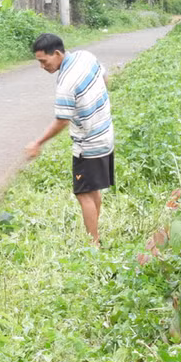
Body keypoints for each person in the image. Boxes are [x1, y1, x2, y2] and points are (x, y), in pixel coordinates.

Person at [26, 33, 115, 245]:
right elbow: (105, 78)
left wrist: (38, 143)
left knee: (83, 194)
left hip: (88, 144)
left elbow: (61, 121)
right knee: (93, 190)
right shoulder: (86, 57)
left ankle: (92, 243)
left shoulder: (66, 83)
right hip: (105, 134)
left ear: (56, 54)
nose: (42, 66)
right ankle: (95, 233)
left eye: (43, 61)